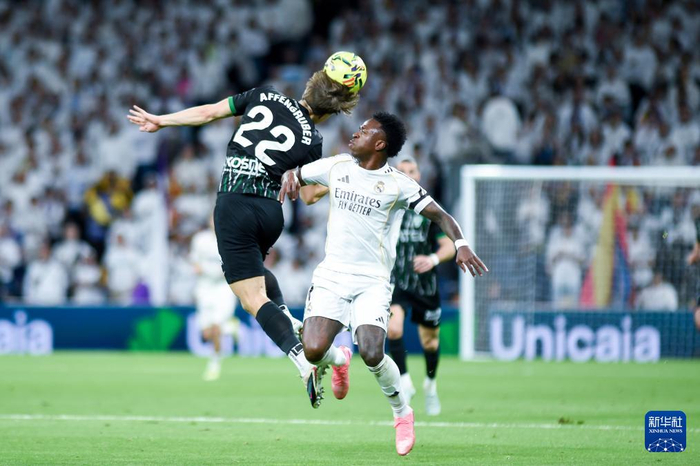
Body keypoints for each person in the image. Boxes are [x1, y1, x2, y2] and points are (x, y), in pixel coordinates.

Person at [127, 69, 359, 406]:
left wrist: (162, 121)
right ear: (329, 113)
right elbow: (309, 197)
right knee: (257, 278)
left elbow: (209, 113)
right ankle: (309, 337)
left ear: (310, 84)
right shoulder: (313, 139)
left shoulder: (265, 94)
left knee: (251, 299)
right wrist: (339, 179)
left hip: (235, 202)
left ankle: (301, 359)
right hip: (270, 212)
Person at [279, 112, 488, 456]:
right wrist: (290, 176)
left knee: (373, 351)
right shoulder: (337, 166)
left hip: (373, 280)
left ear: (379, 144)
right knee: (313, 350)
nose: (355, 133)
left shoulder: (398, 184)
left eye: (364, 131)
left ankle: (402, 413)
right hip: (332, 275)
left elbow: (440, 215)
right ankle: (340, 360)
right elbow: (298, 174)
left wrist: (462, 244)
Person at [386, 156, 454, 417]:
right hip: (396, 281)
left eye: (411, 170)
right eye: (401, 170)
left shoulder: (429, 210)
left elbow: (448, 246)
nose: (406, 174)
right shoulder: (387, 206)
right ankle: (404, 381)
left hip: (425, 286)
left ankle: (431, 384)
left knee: (430, 342)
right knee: (393, 328)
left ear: (418, 176)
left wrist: (432, 259)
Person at [190, 217, 238, 381]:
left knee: (216, 328)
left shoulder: (231, 239)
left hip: (223, 288)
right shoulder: (200, 240)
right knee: (207, 333)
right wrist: (205, 271)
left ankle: (214, 364)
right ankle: (231, 327)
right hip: (204, 287)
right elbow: (195, 263)